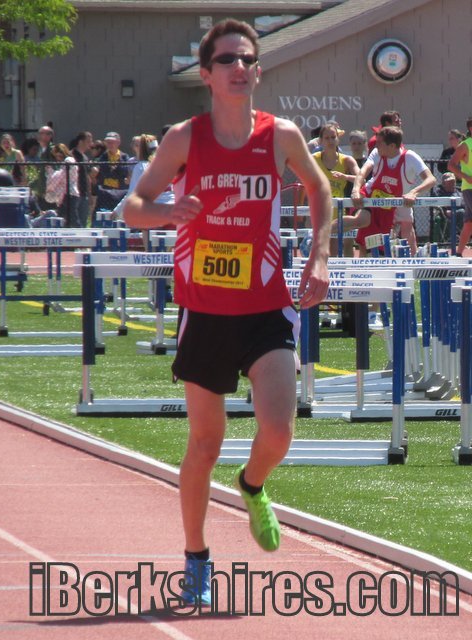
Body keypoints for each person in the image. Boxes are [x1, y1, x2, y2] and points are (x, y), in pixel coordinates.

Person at [124, 18, 331, 605]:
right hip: (206, 309)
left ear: (258, 71)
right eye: (227, 60)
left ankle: (252, 484)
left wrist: (318, 257)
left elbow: (321, 190)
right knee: (205, 445)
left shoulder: (281, 135)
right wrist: (167, 213)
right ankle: (196, 557)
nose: (239, 68)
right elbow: (133, 206)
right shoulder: (184, 138)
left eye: (247, 60)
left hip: (266, 306)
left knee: (279, 430)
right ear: (207, 74)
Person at [334, 126, 436, 256]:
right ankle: (319, 232)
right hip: (371, 197)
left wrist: (414, 192)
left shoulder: (410, 157)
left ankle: (411, 262)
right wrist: (355, 190)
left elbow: (431, 179)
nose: (375, 145)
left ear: (392, 146)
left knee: (383, 244)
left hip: (392, 204)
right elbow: (362, 173)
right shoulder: (377, 153)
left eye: (379, 143)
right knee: (362, 224)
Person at [312, 123, 359, 256]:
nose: (330, 141)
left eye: (333, 137)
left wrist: (345, 176)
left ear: (338, 139)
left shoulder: (347, 160)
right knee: (317, 250)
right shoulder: (314, 159)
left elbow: (361, 178)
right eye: (327, 138)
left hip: (337, 211)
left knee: (333, 251)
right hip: (318, 209)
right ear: (321, 140)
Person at [448, 117, 472, 256]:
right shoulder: (465, 145)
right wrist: (466, 177)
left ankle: (458, 253)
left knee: (469, 223)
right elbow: (451, 165)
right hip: (470, 188)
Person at [94, 131, 129, 220]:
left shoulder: (124, 157)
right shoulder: (102, 157)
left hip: (121, 192)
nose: (110, 144)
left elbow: (125, 173)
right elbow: (100, 173)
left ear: (118, 142)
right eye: (108, 142)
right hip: (106, 192)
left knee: (120, 217)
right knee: (103, 216)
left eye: (112, 142)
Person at [46, 143, 80, 227]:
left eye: (59, 156)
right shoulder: (62, 165)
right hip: (63, 195)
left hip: (71, 193)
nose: (58, 158)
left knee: (73, 218)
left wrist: (51, 177)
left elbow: (60, 176)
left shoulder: (69, 160)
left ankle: (81, 231)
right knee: (61, 217)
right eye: (56, 156)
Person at [430, 172, 464, 243]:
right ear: (443, 183)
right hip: (445, 214)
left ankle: (462, 237)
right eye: (449, 182)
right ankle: (454, 238)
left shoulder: (459, 191)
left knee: (463, 213)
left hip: (461, 212)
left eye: (453, 181)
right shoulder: (439, 192)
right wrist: (444, 210)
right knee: (461, 213)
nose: (452, 183)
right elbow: (435, 204)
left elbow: (465, 203)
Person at [71, 131, 94, 227]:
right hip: (73, 194)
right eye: (88, 141)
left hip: (84, 194)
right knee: (74, 223)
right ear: (80, 142)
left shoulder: (85, 157)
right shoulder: (71, 155)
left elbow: (87, 176)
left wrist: (90, 194)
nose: (91, 144)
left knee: (83, 222)